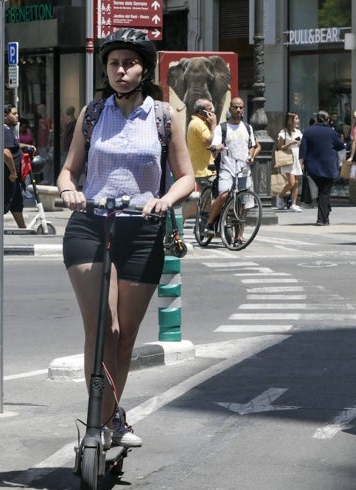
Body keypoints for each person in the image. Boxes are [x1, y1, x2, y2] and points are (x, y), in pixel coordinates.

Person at [56, 29, 195, 450]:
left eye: (129, 63)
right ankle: (97, 424)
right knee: (101, 327)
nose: (120, 70)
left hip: (141, 227)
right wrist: (69, 191)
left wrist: (164, 200)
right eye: (114, 63)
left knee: (126, 334)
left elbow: (187, 176)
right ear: (106, 69)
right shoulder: (93, 113)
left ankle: (112, 417)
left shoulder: (164, 116)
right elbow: (68, 171)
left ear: (144, 69)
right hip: (91, 223)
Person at [206, 97, 261, 244]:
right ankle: (210, 223)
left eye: (240, 107)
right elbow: (214, 145)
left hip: (244, 170)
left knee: (243, 203)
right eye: (235, 107)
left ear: (243, 109)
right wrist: (216, 147)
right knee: (223, 194)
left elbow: (253, 145)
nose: (238, 110)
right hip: (227, 168)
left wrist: (251, 155)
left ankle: (238, 236)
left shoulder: (248, 127)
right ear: (230, 109)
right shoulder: (221, 128)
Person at [299, 110, 345, 226]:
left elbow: (302, 149)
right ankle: (322, 219)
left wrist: (301, 163)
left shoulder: (308, 131)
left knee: (322, 193)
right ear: (327, 120)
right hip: (328, 167)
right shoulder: (331, 132)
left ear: (316, 119)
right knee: (324, 193)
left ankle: (325, 217)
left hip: (313, 168)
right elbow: (340, 146)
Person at [183, 98, 217, 220]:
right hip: (203, 169)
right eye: (209, 109)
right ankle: (203, 224)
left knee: (207, 198)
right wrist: (213, 125)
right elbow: (209, 141)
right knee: (207, 199)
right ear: (201, 111)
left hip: (205, 167)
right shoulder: (197, 124)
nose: (212, 112)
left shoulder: (197, 123)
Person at [3, 104, 27, 228]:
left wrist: (27, 147)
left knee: (16, 203)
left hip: (13, 176)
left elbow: (14, 145)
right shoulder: (5, 130)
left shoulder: (8, 130)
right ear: (4, 116)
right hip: (9, 175)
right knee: (4, 203)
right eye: (14, 114)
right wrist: (13, 172)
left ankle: (23, 228)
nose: (17, 116)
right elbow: (6, 153)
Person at [276, 112, 303, 212]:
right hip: (287, 158)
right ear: (290, 120)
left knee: (296, 182)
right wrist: (290, 143)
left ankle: (293, 204)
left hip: (296, 157)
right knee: (291, 182)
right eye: (296, 118)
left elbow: (301, 145)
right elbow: (280, 147)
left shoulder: (298, 132)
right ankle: (280, 195)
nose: (298, 120)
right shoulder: (283, 133)